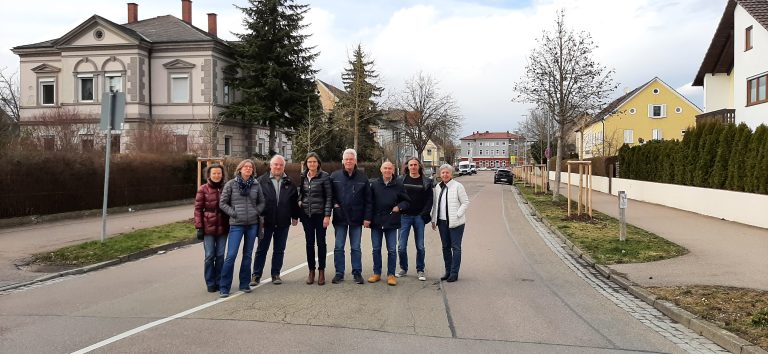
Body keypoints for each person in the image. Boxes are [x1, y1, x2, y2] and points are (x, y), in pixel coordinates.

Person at [251, 155, 301, 285]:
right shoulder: (260, 181)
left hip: (283, 222)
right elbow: (254, 201)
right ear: (271, 166)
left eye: (281, 165)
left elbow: (294, 201)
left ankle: (276, 274)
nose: (278, 167)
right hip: (265, 222)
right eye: (276, 164)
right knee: (262, 249)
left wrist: (295, 216)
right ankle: (256, 275)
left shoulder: (290, 182)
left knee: (279, 250)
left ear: (284, 167)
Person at [219, 159, 265, 297]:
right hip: (236, 225)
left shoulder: (256, 185)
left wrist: (256, 211)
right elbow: (223, 203)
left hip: (252, 224)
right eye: (245, 167)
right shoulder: (231, 184)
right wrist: (234, 213)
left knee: (248, 255)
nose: (248, 169)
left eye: (251, 167)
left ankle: (244, 284)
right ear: (240, 169)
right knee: (231, 255)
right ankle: (224, 287)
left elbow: (262, 201)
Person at [329, 148, 372, 284]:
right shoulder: (334, 176)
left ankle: (357, 273)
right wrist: (335, 205)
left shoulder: (363, 178)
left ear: (355, 161)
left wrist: (367, 217)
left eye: (351, 159)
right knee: (339, 247)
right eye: (346, 159)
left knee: (355, 247)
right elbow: (330, 196)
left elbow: (368, 200)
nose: (349, 161)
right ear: (343, 161)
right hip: (340, 217)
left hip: (356, 218)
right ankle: (339, 273)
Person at [369, 161, 410, 286]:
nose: (387, 170)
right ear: (381, 170)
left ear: (393, 170)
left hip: (391, 221)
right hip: (376, 222)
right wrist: (367, 218)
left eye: (389, 168)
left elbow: (406, 201)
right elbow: (369, 203)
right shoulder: (375, 184)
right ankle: (377, 273)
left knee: (392, 250)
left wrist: (399, 206)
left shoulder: (398, 184)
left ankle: (391, 274)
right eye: (385, 168)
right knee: (376, 249)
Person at [430, 163, 470, 282]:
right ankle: (448, 271)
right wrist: (434, 220)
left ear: (451, 174)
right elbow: (435, 205)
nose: (445, 174)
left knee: (456, 247)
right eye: (443, 172)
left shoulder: (458, 186)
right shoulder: (438, 187)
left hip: (456, 223)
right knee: (445, 247)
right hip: (442, 222)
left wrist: (458, 214)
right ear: (440, 174)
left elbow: (465, 202)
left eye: (447, 172)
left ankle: (454, 273)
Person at [396, 157, 433, 281]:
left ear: (419, 166)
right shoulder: (401, 180)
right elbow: (396, 197)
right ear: (407, 167)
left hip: (419, 217)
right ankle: (403, 268)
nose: (413, 167)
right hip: (404, 217)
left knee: (420, 246)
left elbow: (429, 200)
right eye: (411, 165)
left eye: (415, 165)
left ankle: (420, 270)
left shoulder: (426, 181)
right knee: (401, 246)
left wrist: (424, 214)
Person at [194, 164, 229, 293]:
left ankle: (219, 281)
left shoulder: (226, 188)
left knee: (220, 255)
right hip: (208, 226)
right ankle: (210, 282)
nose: (216, 175)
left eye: (219, 173)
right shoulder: (202, 189)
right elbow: (198, 209)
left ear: (222, 174)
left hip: (223, 226)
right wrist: (199, 227)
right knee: (209, 255)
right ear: (209, 175)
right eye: (214, 173)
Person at [299, 152, 333, 285]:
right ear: (306, 164)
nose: (312, 164)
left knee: (321, 243)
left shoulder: (324, 177)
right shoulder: (303, 176)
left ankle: (321, 271)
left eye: (314, 162)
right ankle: (311, 271)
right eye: (309, 162)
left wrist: (327, 215)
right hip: (306, 215)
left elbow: (329, 197)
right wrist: (299, 200)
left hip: (320, 215)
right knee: (309, 243)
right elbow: (301, 192)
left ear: (318, 163)